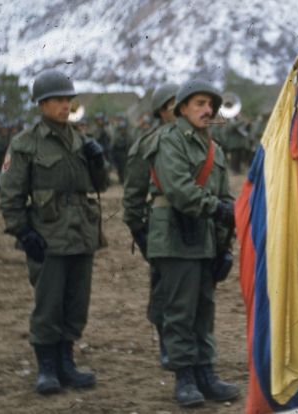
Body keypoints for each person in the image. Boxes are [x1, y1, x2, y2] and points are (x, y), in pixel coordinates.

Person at [0, 69, 108, 395]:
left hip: (81, 233)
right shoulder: (25, 143)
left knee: (76, 302)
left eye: (68, 99)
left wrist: (99, 162)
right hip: (47, 235)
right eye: (59, 100)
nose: (65, 105)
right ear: (42, 104)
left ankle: (66, 363)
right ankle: (46, 367)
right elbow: (11, 194)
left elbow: (99, 186)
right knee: (49, 304)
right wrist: (22, 232)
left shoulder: (81, 140)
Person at [144, 79, 239, 407]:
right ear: (182, 108)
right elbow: (180, 189)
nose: (208, 110)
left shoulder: (215, 148)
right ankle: (184, 378)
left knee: (204, 308)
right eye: (199, 103)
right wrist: (220, 210)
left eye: (210, 104)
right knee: (180, 309)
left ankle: (205, 374)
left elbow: (225, 195)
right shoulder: (169, 140)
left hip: (205, 238)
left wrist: (226, 243)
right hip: (175, 235)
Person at [122, 82, 179, 368]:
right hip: (163, 229)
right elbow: (132, 196)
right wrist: (141, 234)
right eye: (171, 105)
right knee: (162, 289)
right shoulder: (147, 144)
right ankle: (167, 344)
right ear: (161, 111)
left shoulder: (201, 141)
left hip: (196, 229)